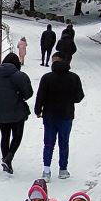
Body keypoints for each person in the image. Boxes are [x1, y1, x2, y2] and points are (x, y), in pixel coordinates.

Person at [35, 53, 85, 181]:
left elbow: (40, 95)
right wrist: (69, 99)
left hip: (49, 114)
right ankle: (63, 169)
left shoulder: (47, 78)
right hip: (66, 114)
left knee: (48, 143)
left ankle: (46, 171)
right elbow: (79, 96)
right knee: (64, 142)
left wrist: (38, 110)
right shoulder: (74, 78)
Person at [0, 52, 33, 174]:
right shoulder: (20, 76)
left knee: (5, 136)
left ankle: (5, 160)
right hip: (16, 111)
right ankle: (9, 158)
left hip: (0, 112)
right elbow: (29, 93)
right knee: (17, 136)